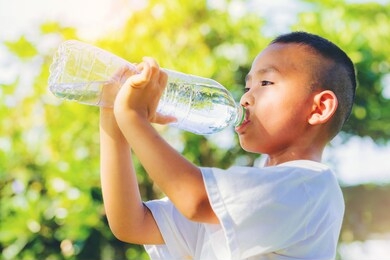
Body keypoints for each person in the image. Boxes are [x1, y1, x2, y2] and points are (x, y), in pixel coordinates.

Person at [99, 31, 356, 259]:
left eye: (265, 83)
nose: (245, 97)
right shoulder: (240, 200)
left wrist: (132, 117)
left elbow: (196, 200)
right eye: (247, 86)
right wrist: (113, 117)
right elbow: (132, 224)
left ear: (319, 108)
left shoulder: (312, 186)